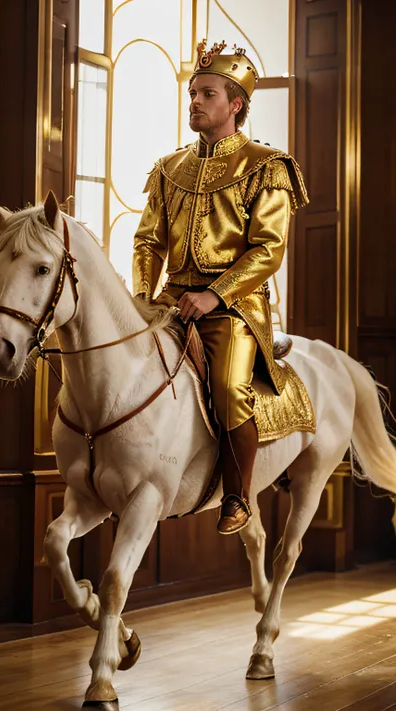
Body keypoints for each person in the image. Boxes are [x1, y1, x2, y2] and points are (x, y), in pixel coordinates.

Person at [133, 40, 308, 534]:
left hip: (233, 306)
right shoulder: (169, 168)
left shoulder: (268, 165)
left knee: (230, 389)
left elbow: (268, 249)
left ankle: (236, 494)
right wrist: (144, 299)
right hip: (170, 298)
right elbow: (147, 241)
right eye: (192, 93)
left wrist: (213, 296)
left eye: (207, 94)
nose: (194, 101)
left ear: (235, 105)